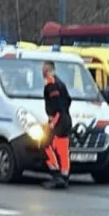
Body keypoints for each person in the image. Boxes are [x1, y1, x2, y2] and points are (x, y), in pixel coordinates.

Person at [42, 61, 72, 189]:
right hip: (65, 120)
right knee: (63, 150)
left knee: (45, 145)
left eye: (43, 69)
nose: (42, 72)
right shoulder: (61, 82)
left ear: (48, 69)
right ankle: (64, 176)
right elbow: (68, 100)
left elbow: (56, 105)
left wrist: (52, 123)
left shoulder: (51, 83)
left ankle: (56, 174)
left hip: (58, 120)